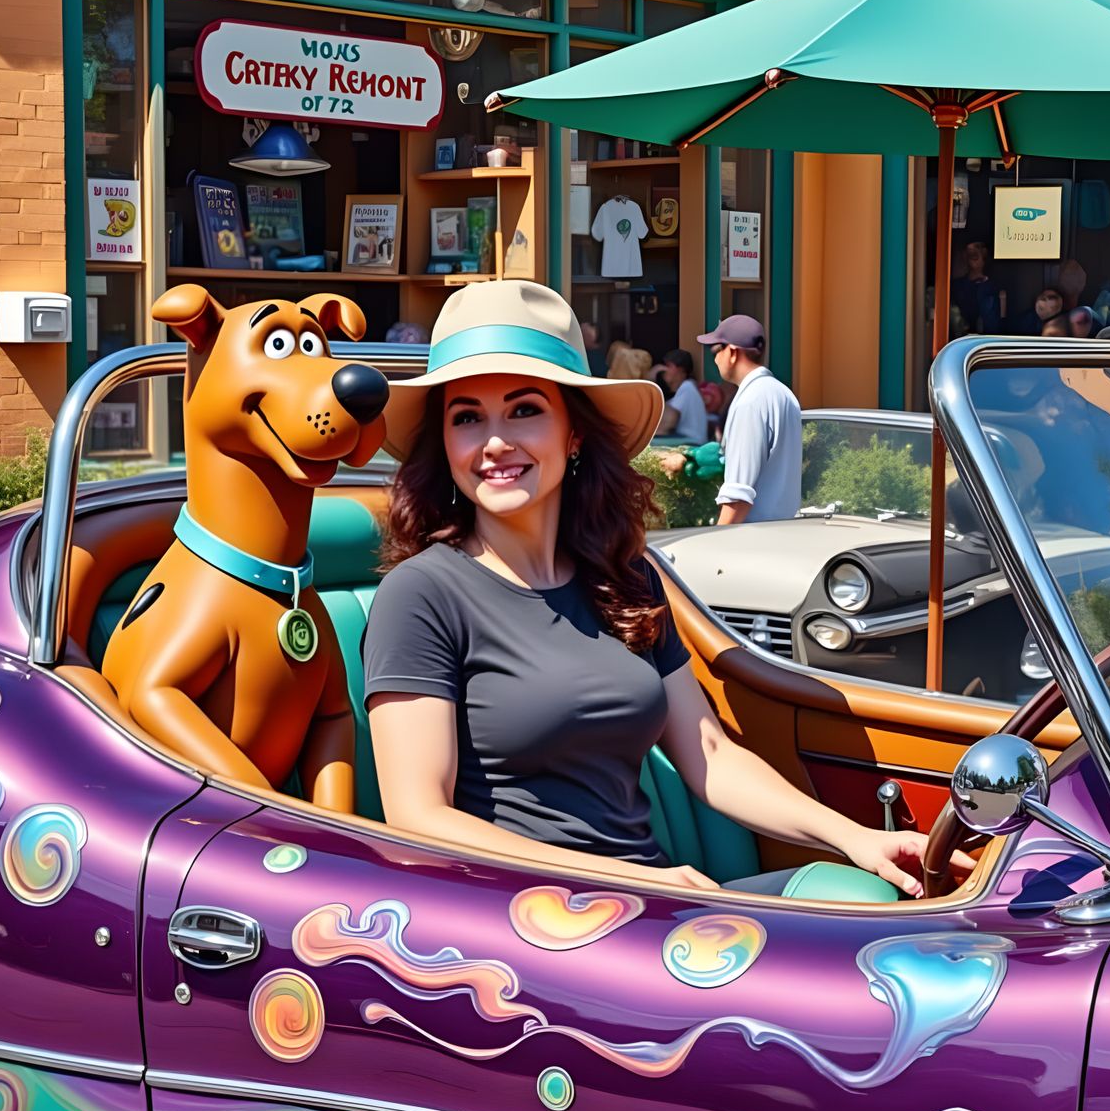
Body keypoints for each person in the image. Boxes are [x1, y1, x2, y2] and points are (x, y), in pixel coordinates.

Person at [364, 280, 933, 897]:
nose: (496, 441)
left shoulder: (625, 577)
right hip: (522, 914)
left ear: (574, 434)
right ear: (445, 444)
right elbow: (419, 817)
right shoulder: (421, 596)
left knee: (864, 901)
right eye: (467, 418)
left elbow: (710, 755)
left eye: (525, 410)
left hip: (652, 905)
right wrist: (636, 880)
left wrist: (855, 837)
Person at [697, 313, 802, 525]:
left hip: (753, 536)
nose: (715, 359)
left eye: (716, 350)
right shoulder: (783, 393)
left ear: (732, 352)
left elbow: (739, 495)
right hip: (785, 530)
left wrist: (715, 539)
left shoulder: (750, 401)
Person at [655, 347, 708, 443]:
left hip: (694, 442)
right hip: (685, 439)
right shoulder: (682, 390)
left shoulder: (688, 387)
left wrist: (650, 380)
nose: (663, 370)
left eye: (668, 366)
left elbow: (668, 421)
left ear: (680, 370)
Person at [952, 242, 1003, 334]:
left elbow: (996, 325)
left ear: (985, 253)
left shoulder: (994, 287)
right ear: (964, 255)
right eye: (969, 250)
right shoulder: (955, 287)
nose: (974, 253)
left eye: (978, 247)